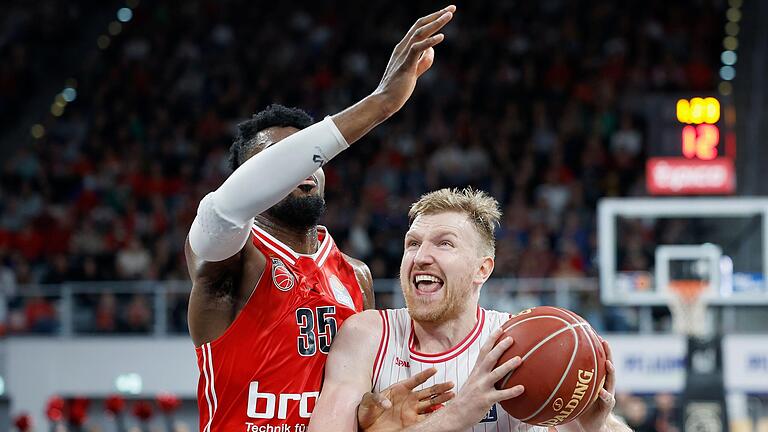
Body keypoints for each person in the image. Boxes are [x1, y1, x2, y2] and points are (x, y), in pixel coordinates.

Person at [184, 5, 457, 431]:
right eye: (282, 161)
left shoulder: (356, 275)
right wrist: (382, 104)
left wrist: (377, 412)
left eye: (308, 158)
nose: (303, 169)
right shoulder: (232, 259)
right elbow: (223, 209)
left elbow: (360, 403)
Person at [309, 188, 631, 432]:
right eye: (413, 243)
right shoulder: (367, 334)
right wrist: (456, 415)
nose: (421, 256)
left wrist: (594, 428)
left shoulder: (524, 344)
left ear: (482, 269)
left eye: (444, 243)